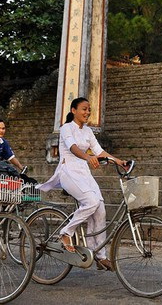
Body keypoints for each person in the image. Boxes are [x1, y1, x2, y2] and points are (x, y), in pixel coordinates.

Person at [39, 97, 127, 271]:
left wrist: (119, 161)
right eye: (84, 109)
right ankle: (66, 233)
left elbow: (99, 151)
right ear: (74, 110)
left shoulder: (88, 131)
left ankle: (99, 255)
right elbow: (72, 147)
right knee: (91, 202)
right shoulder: (66, 128)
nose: (87, 112)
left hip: (84, 174)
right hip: (68, 172)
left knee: (100, 210)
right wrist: (88, 157)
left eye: (89, 110)